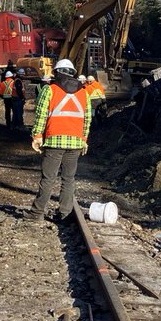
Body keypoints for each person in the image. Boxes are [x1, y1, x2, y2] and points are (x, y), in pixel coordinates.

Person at [28, 58, 92, 224]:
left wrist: (36, 135)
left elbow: (41, 115)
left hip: (54, 141)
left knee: (48, 178)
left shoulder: (49, 90)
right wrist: (84, 139)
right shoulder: (84, 92)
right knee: (68, 179)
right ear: (72, 73)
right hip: (76, 142)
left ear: (57, 72)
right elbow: (87, 119)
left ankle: (37, 213)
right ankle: (64, 213)